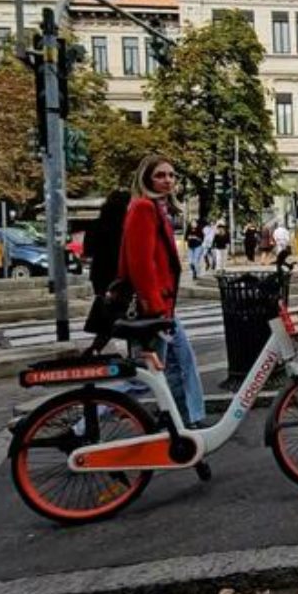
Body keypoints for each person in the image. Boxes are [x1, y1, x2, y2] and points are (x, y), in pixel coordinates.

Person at [118, 154, 207, 428]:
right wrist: (155, 307)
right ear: (147, 179)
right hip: (154, 309)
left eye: (171, 175)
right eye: (160, 175)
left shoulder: (158, 209)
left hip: (163, 308)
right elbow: (139, 263)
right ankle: (83, 423)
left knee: (176, 365)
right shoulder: (143, 208)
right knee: (148, 375)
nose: (168, 180)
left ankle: (186, 423)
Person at [81, 190, 132, 354]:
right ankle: (134, 354)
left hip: (100, 276)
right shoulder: (126, 226)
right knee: (128, 315)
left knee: (109, 313)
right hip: (121, 276)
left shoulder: (95, 225)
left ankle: (96, 348)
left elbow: (87, 252)